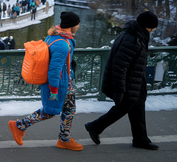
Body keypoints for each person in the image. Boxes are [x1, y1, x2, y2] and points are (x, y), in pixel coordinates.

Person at [84, 11, 159, 150]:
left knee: (137, 110)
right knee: (123, 107)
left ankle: (140, 139)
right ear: (147, 27)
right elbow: (120, 66)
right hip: (129, 83)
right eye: (152, 28)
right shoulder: (133, 39)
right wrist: (120, 90)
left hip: (136, 82)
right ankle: (95, 126)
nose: (153, 30)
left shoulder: (136, 35)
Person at [8, 11, 82, 151]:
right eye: (77, 24)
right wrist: (54, 89)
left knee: (69, 109)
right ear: (71, 25)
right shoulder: (62, 44)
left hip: (64, 81)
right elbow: (54, 70)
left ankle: (64, 138)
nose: (78, 26)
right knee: (50, 111)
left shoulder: (53, 37)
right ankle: (19, 125)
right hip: (60, 84)